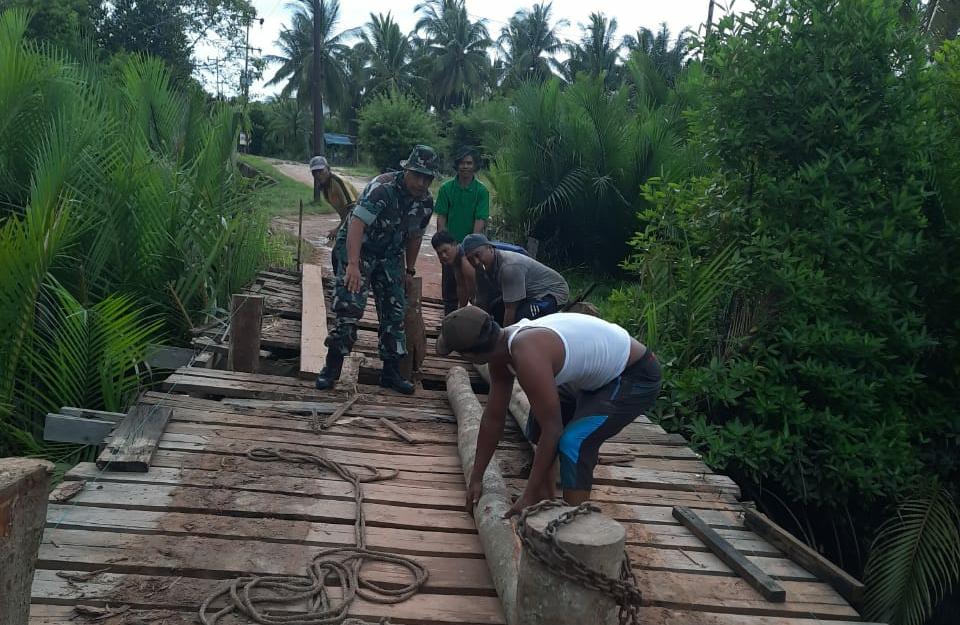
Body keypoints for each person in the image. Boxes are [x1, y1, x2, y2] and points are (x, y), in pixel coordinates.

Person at [436, 306, 662, 517]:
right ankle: (547, 502)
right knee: (536, 428)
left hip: (634, 375)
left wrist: (528, 493)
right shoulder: (501, 352)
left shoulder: (526, 354)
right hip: (595, 376)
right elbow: (493, 419)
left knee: (575, 443)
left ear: (472, 356)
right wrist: (477, 477)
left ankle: (576, 526)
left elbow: (553, 430)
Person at [315, 145, 439, 395]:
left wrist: (409, 270)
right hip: (358, 249)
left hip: (391, 255)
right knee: (349, 308)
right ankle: (331, 369)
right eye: (417, 175)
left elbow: (415, 236)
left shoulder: (425, 202)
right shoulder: (382, 188)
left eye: (427, 178)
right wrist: (352, 265)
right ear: (406, 171)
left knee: (395, 313)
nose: (421, 182)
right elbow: (357, 223)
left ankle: (391, 373)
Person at [462, 233, 569, 326]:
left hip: (551, 293)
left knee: (521, 319)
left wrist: (505, 339)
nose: (475, 262)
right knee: (495, 309)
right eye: (470, 259)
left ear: (490, 248)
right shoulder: (480, 269)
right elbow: (482, 302)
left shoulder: (509, 267)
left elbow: (510, 311)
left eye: (478, 255)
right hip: (525, 294)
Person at [434, 148, 490, 314]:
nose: (465, 166)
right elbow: (441, 217)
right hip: (451, 245)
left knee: (472, 284)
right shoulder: (446, 189)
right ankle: (449, 318)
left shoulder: (481, 191)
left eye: (469, 163)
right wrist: (442, 244)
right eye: (462, 163)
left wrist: (470, 246)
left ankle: (473, 320)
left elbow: (480, 219)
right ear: (456, 165)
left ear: (475, 166)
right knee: (450, 284)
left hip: (470, 247)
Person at [309, 155, 359, 239]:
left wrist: (338, 229)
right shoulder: (324, 187)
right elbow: (343, 213)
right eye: (314, 172)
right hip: (351, 221)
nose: (318, 174)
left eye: (320, 170)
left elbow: (352, 209)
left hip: (360, 219)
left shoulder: (338, 182)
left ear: (328, 169)